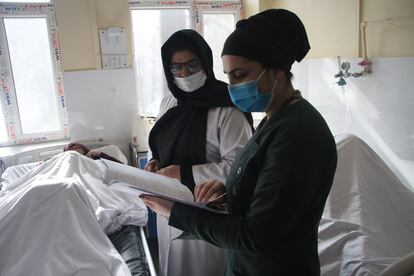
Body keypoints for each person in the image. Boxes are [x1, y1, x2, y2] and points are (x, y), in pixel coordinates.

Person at [141, 9, 338, 276]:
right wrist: (225, 191)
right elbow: (261, 187)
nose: (231, 86)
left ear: (277, 70)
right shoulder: (274, 119)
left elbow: (258, 235)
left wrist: (177, 212)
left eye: (241, 74)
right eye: (228, 75)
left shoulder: (298, 133)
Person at [144, 29, 253, 276]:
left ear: (205, 62)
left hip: (209, 212)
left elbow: (239, 167)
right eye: (176, 67)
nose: (184, 74)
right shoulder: (170, 102)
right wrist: (155, 161)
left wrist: (183, 173)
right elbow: (162, 144)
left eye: (192, 65)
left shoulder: (227, 108)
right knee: (172, 266)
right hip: (169, 208)